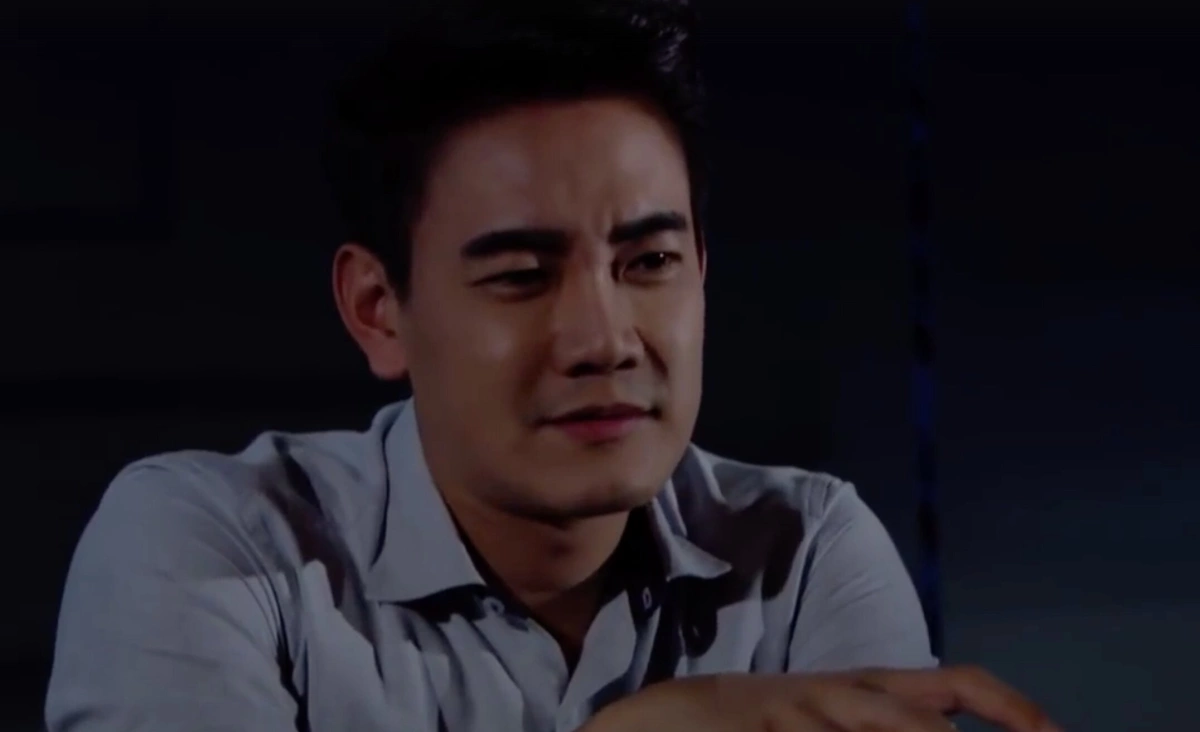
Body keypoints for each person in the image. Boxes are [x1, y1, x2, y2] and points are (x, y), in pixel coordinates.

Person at [45, 2, 1060, 731]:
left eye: (649, 263)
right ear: (378, 310)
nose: (605, 339)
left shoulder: (803, 554)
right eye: (522, 276)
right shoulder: (211, 546)